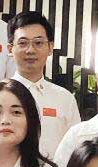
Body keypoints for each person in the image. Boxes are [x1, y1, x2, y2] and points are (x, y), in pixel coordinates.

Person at [8, 11, 81, 157]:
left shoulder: (64, 99)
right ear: (10, 49)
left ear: (50, 47)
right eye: (22, 43)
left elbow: (76, 149)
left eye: (38, 43)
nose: (30, 50)